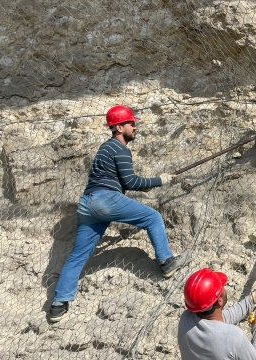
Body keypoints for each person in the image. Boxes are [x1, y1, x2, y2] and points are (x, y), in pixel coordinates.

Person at [48, 105, 192, 322]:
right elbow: (131, 181)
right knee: (152, 217)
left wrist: (144, 185)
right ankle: (166, 262)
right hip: (105, 199)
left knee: (78, 255)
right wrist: (160, 180)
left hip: (88, 204)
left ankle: (59, 304)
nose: (135, 127)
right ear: (118, 127)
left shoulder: (105, 149)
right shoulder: (119, 148)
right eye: (131, 123)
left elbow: (120, 180)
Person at [178, 268, 256, 360]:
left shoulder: (185, 319)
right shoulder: (234, 337)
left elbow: (219, 321)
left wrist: (252, 299)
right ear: (220, 301)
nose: (224, 287)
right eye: (221, 287)